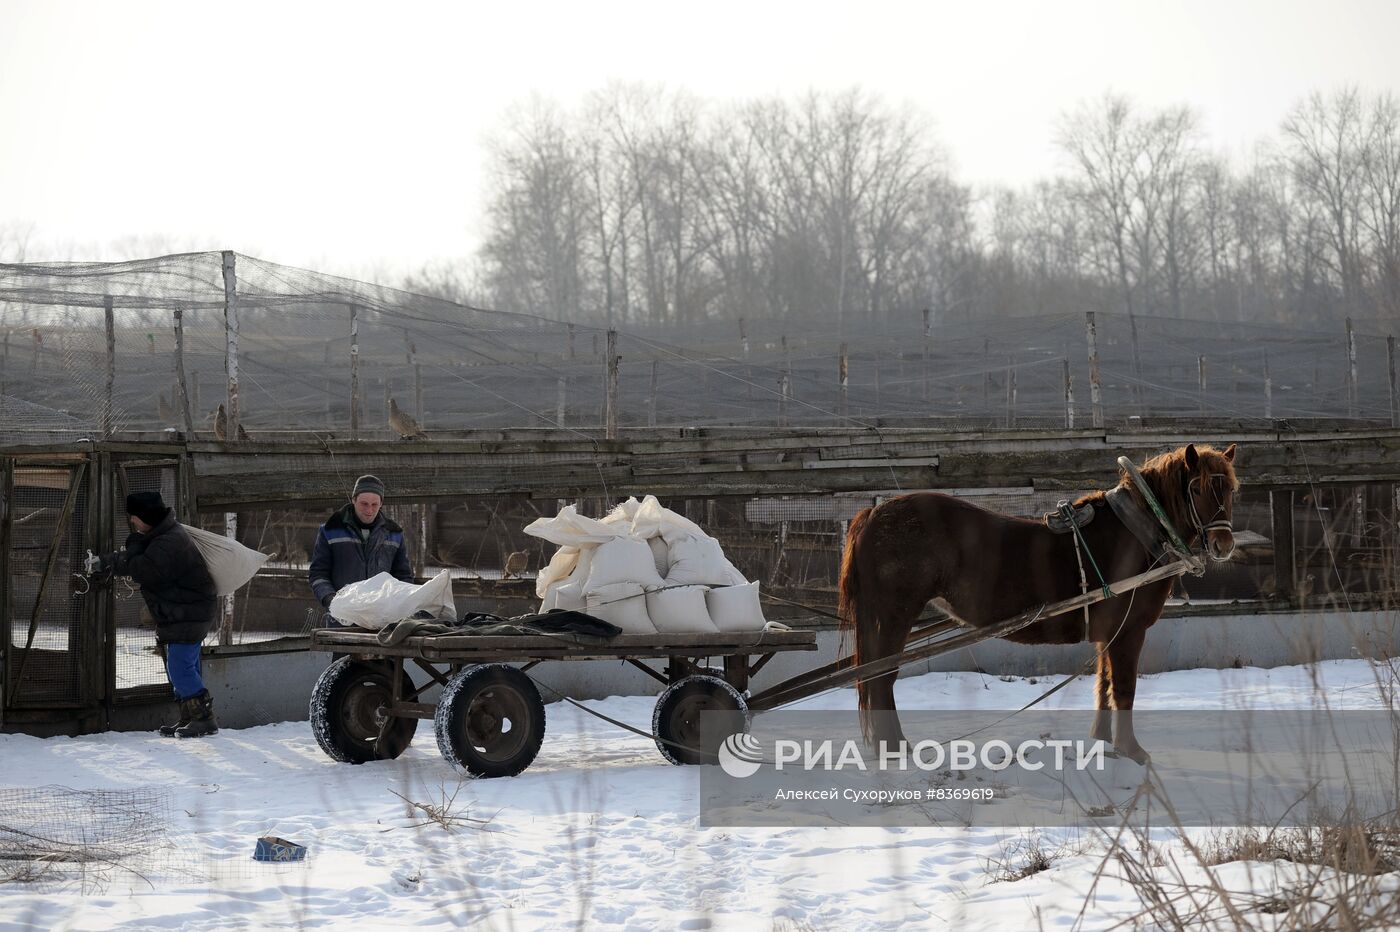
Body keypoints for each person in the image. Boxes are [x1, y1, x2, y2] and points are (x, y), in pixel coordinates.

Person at [97, 490, 219, 738]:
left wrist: (124, 553)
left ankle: (203, 719)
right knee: (185, 665)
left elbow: (144, 569)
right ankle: (189, 717)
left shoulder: (169, 541)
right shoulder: (161, 535)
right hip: (186, 610)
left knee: (179, 666)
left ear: (146, 516)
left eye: (134, 517)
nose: (132, 521)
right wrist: (112, 559)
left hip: (188, 612)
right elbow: (142, 559)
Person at [308, 475, 414, 626]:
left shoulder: (394, 534)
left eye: (374, 504)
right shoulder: (331, 530)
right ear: (353, 500)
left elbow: (403, 576)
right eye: (364, 504)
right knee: (347, 650)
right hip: (342, 620)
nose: (369, 510)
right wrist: (331, 600)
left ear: (381, 504)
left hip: (383, 621)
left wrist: (399, 604)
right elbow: (318, 574)